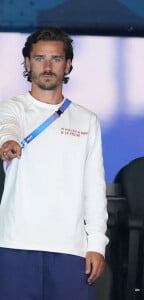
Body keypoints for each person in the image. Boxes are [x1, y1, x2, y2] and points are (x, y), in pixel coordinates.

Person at [0, 27, 109, 300]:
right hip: (15, 243)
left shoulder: (87, 120)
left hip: (70, 248)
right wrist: (8, 142)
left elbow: (94, 188)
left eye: (56, 59)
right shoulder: (12, 108)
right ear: (27, 63)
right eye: (39, 58)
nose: (47, 66)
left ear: (68, 64)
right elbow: (7, 127)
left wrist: (96, 244)